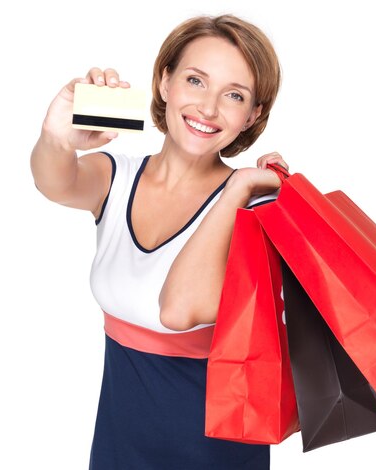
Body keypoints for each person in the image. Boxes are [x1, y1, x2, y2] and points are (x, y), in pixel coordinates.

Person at [30, 14, 287, 470]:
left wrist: (237, 191)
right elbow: (55, 180)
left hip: (215, 454)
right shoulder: (117, 177)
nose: (208, 108)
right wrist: (57, 135)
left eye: (233, 95)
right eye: (195, 80)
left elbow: (179, 309)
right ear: (165, 82)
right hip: (118, 448)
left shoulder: (253, 207)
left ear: (253, 115)